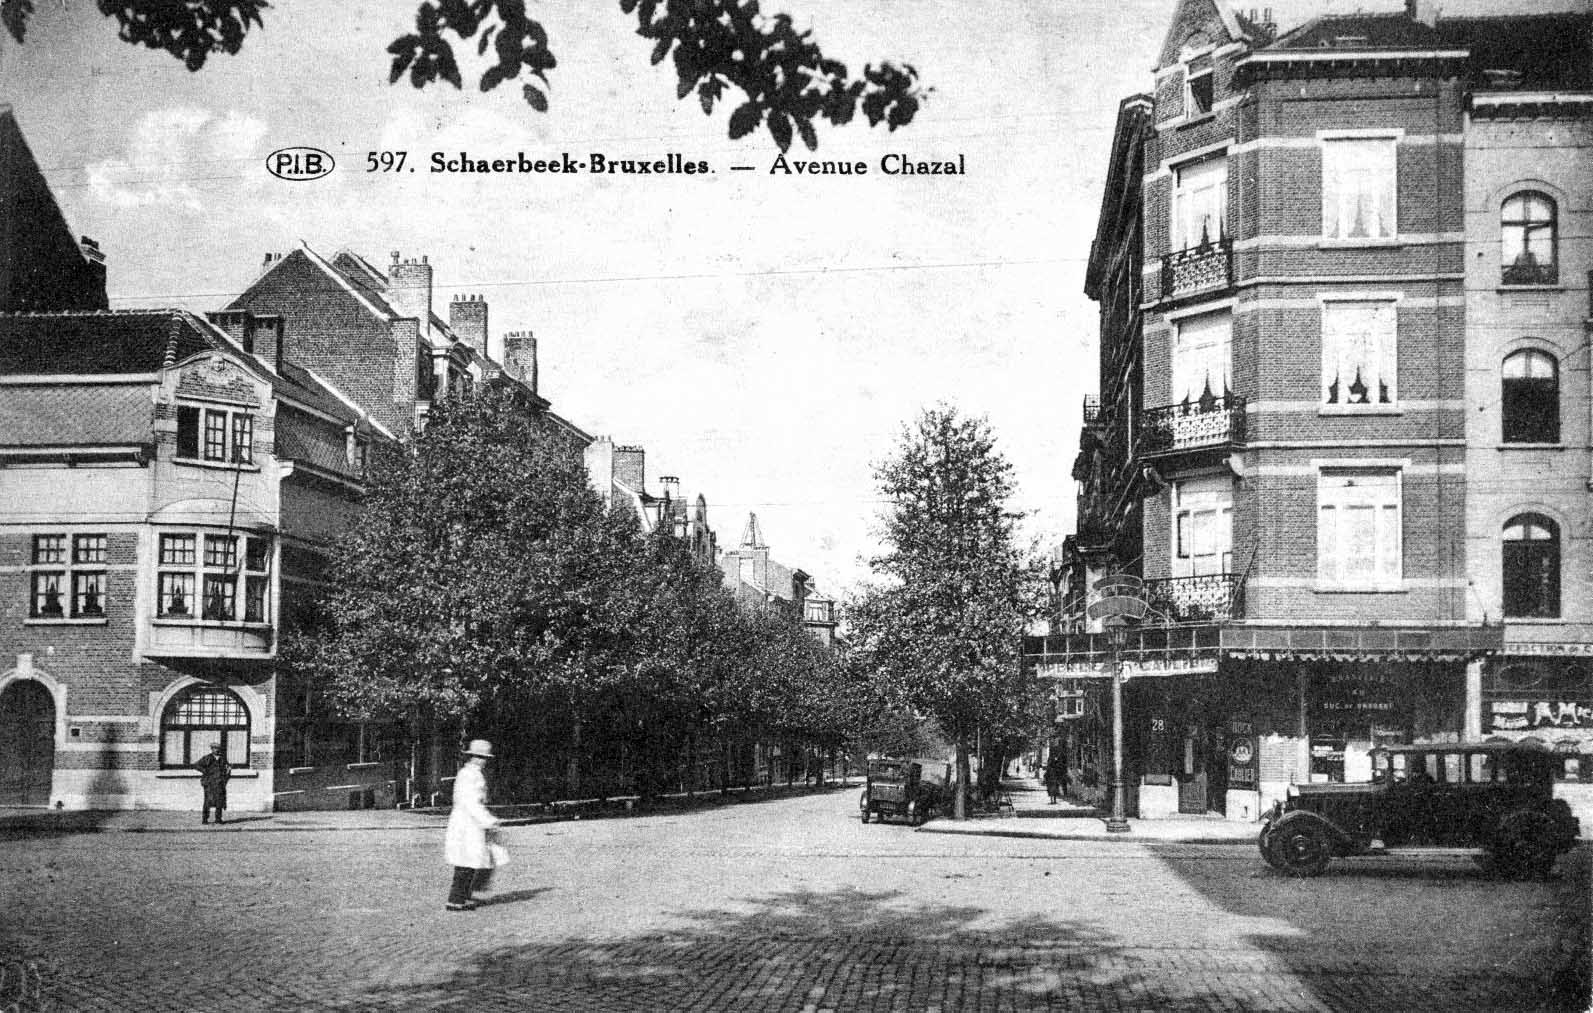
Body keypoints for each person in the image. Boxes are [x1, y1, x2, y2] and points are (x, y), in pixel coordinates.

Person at [445, 739, 503, 912]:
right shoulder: (470, 775)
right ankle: (456, 900)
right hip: (467, 822)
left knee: (472, 860)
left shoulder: (470, 773)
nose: (484, 761)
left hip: (469, 822)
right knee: (466, 862)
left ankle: (465, 895)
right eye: (481, 757)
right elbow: (470, 802)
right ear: (474, 757)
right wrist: (488, 820)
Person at [194, 743, 231, 824]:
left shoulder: (222, 759)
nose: (216, 750)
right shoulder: (207, 758)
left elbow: (228, 768)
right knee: (207, 801)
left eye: (218, 748)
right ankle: (205, 819)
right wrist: (205, 771)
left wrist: (226, 776)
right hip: (209, 783)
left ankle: (218, 819)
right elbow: (196, 765)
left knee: (219, 801)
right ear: (211, 749)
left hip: (219, 783)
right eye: (214, 748)